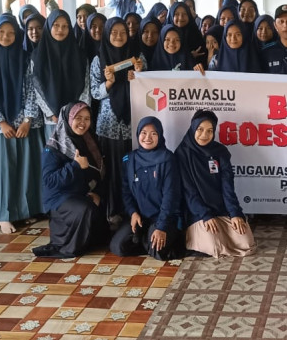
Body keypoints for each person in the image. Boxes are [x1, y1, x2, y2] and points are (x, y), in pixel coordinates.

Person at [0, 14, 45, 234]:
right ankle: (4, 215)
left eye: (10, 33)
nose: (5, 36)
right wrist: (1, 122)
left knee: (26, 169)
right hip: (2, 126)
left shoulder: (26, 58)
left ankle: (24, 211)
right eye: (0, 32)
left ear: (17, 35)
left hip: (25, 125)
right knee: (5, 171)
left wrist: (27, 120)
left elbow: (32, 90)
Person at [177, 110, 256, 258]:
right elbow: (189, 192)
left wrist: (234, 213)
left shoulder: (220, 151)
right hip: (197, 213)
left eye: (210, 131)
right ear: (193, 128)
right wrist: (205, 215)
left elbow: (227, 187)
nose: (204, 135)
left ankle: (221, 232)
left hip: (221, 209)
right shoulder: (182, 154)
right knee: (215, 247)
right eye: (200, 129)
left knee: (246, 244)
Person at [34, 102, 109, 259]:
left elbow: (99, 172)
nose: (83, 123)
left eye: (87, 118)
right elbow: (49, 181)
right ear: (68, 119)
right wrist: (75, 166)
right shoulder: (53, 147)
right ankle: (70, 247)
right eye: (78, 118)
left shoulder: (89, 141)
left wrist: (97, 193)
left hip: (82, 192)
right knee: (84, 208)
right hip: (60, 197)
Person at [91, 17, 143, 228]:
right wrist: (109, 84)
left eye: (123, 32)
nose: (119, 36)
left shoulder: (137, 57)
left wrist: (139, 77)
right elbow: (94, 92)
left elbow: (149, 89)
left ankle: (132, 211)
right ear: (107, 34)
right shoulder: (98, 60)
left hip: (133, 123)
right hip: (109, 125)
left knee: (131, 170)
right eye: (114, 32)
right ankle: (112, 212)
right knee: (111, 171)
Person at [109, 117, 184, 261]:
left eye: (153, 133)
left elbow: (171, 196)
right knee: (118, 247)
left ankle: (154, 238)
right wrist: (133, 213)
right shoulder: (129, 159)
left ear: (160, 135)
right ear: (138, 134)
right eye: (144, 133)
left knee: (158, 250)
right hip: (140, 218)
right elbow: (126, 192)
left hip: (163, 218)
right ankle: (146, 238)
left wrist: (161, 227)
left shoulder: (167, 159)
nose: (147, 137)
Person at [32, 10, 90, 138]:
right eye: (56, 25)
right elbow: (36, 88)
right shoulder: (37, 56)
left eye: (65, 26)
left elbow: (86, 86)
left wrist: (78, 113)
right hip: (52, 118)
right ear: (49, 26)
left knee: (77, 149)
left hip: (77, 119)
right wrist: (52, 114)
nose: (60, 30)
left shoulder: (79, 55)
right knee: (54, 149)